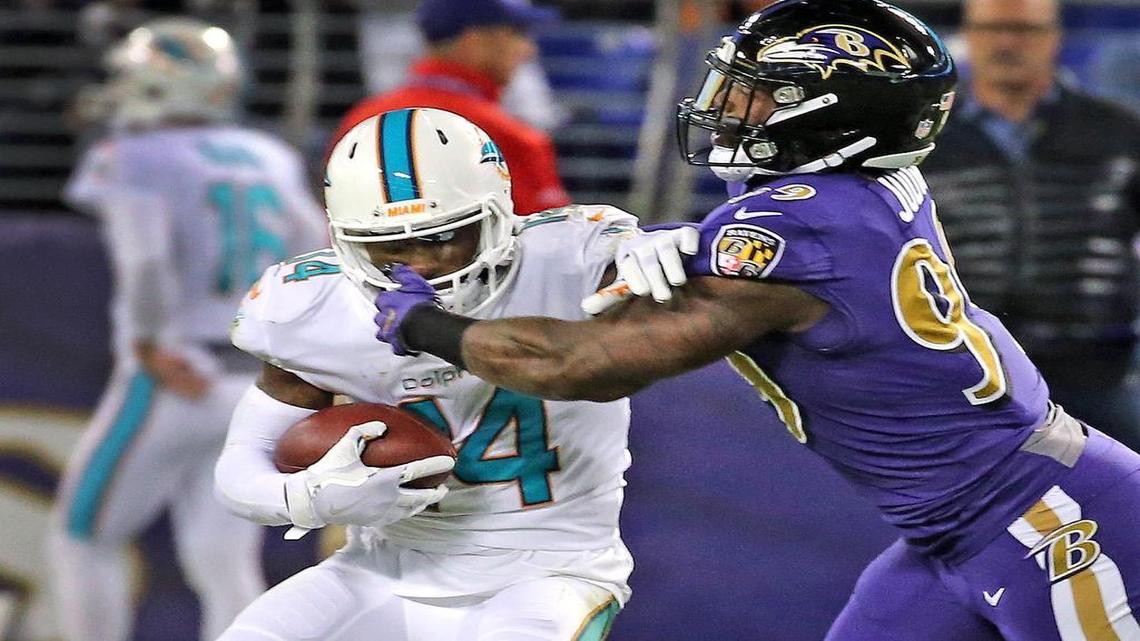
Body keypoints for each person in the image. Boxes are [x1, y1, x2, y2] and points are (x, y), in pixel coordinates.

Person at [373, 1, 1140, 638]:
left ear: (837, 112)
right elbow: (767, 249)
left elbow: (583, 364)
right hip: (960, 520)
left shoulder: (794, 234)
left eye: (762, 90)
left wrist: (424, 324)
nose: (729, 106)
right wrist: (676, 245)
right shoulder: (868, 185)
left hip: (1048, 518)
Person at [212, 108, 638, 641]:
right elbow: (238, 468)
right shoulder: (313, 305)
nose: (421, 263)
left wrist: (680, 260)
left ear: (497, 214)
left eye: (442, 237)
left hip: (549, 569)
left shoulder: (574, 260)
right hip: (381, 566)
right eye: (390, 245)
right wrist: (310, 498)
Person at [50, 18, 328, 641]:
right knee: (222, 553)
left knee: (82, 534)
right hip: (256, 380)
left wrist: (152, 343)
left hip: (179, 369)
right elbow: (316, 252)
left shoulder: (132, 157)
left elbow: (145, 260)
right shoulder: (270, 156)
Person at [921, 0, 1140, 453]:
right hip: (966, 374)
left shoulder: (1120, 131)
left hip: (1095, 367)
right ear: (967, 36)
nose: (1006, 42)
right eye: (992, 28)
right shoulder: (922, 139)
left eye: (1024, 29)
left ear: (1055, 37)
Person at [331, 0, 571, 216]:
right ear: (475, 41)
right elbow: (553, 245)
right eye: (517, 34)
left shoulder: (362, 119)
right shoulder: (507, 134)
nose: (529, 49)